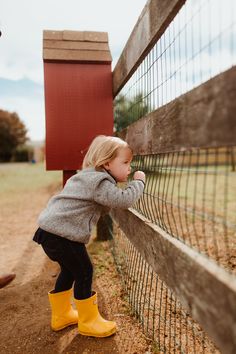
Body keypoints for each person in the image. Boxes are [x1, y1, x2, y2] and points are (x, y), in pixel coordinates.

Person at [33, 135, 145, 338]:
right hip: (61, 235)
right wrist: (138, 182)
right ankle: (88, 321)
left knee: (69, 270)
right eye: (125, 162)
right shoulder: (99, 181)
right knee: (84, 270)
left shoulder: (88, 176)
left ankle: (62, 315)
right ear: (107, 163)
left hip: (50, 233)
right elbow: (123, 199)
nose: (129, 167)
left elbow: (100, 205)